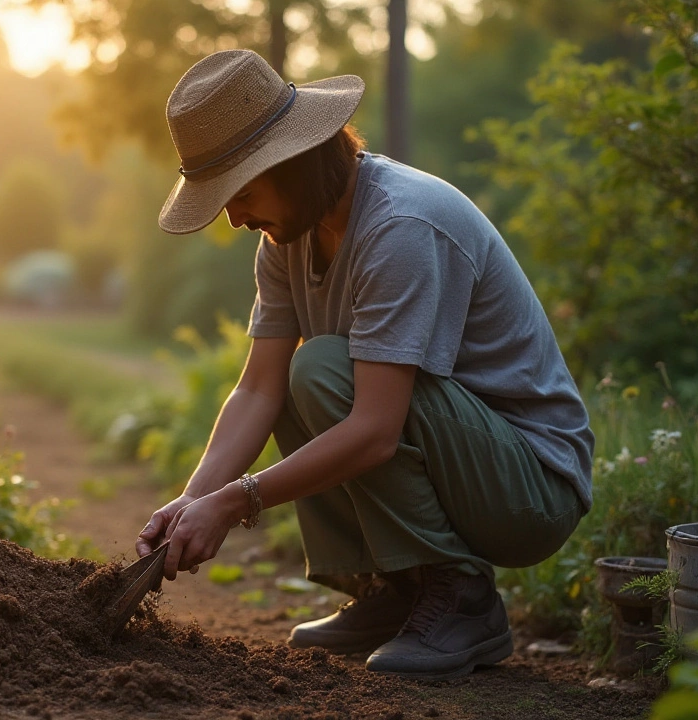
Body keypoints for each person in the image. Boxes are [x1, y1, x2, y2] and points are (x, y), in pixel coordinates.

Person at [134, 49, 594, 680]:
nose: (235, 218)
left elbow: (377, 429)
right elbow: (257, 390)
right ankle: (400, 589)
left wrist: (237, 501)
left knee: (322, 368)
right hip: (461, 460)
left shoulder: (401, 225)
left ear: (294, 160)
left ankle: (462, 597)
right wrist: (193, 501)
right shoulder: (284, 236)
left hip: (529, 485)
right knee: (300, 379)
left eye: (241, 193)